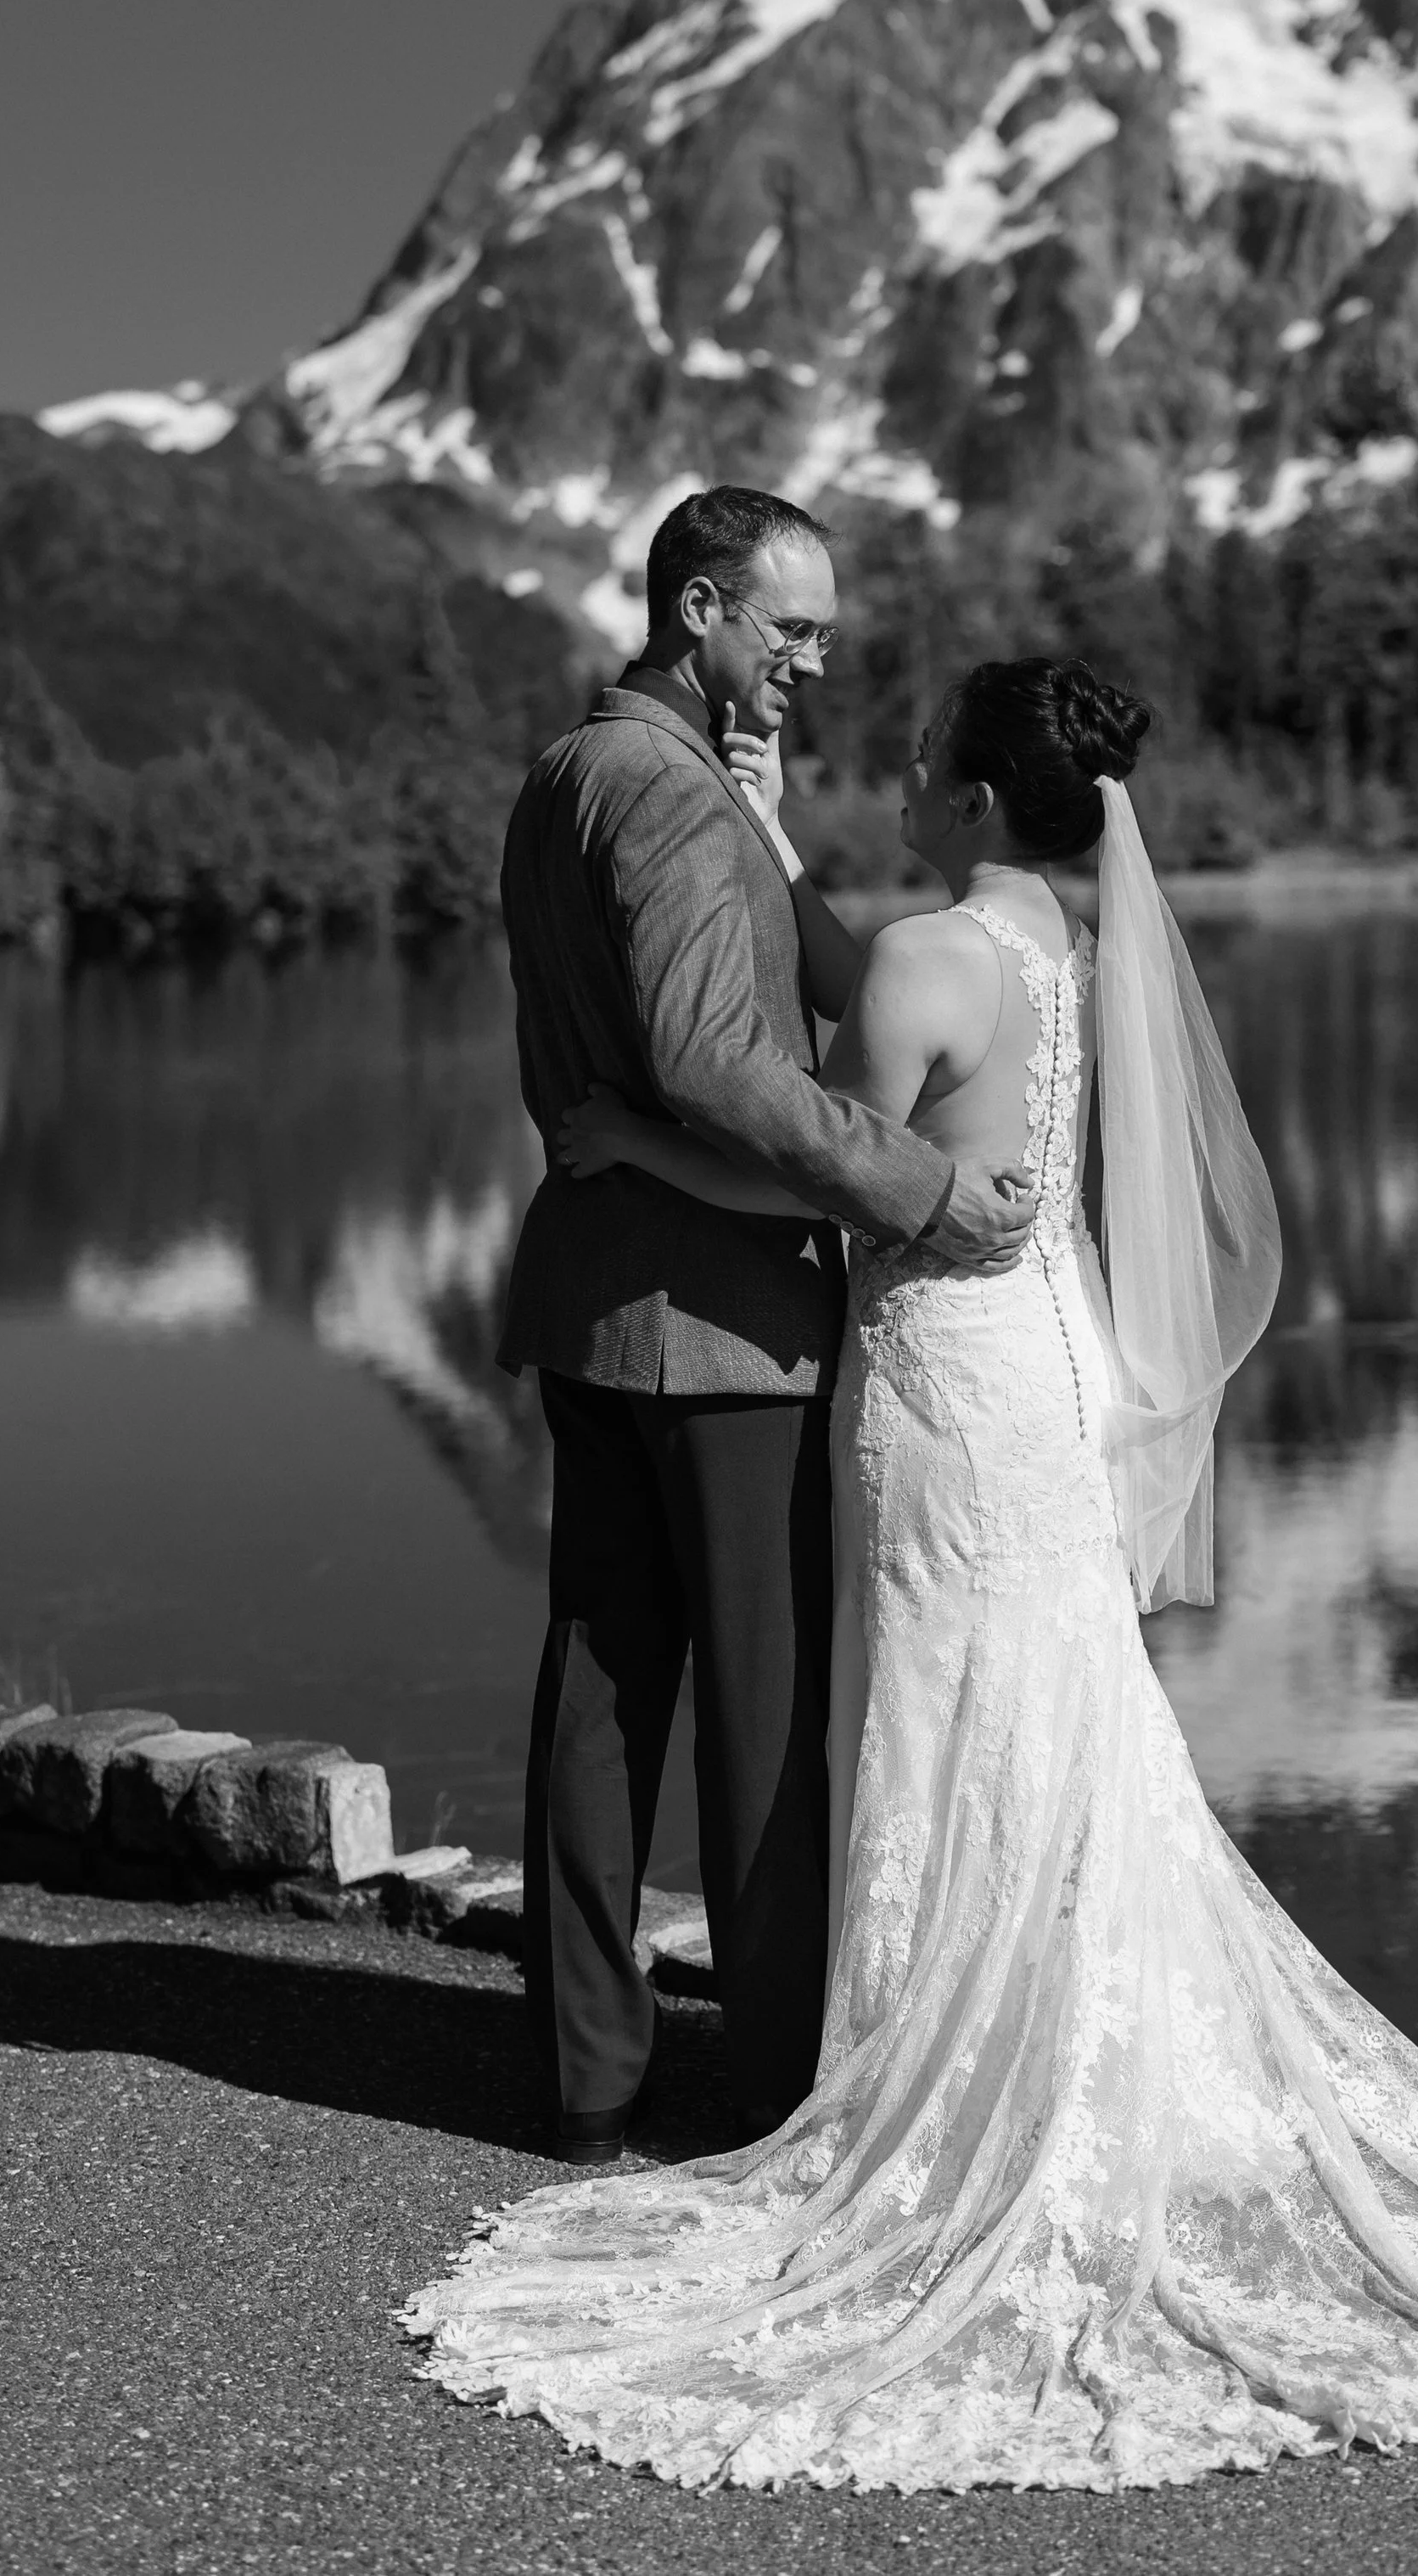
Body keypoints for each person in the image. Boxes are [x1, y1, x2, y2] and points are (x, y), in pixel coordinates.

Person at [412, 655, 1418, 2489]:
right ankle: (1057, 2041)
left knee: (948, 1710)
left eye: (919, 759)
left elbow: (826, 1177)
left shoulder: (926, 968)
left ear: (961, 795)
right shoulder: (1059, 950)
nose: (894, 774)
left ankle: (943, 2068)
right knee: (1052, 1706)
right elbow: (887, 1003)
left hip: (943, 1374)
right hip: (1051, 1365)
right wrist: (776, 841)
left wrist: (631, 1139)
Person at [494, 486, 1034, 2164]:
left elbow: (738, 1007)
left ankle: (587, 2079)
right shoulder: (657, 795)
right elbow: (711, 1065)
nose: (811, 657)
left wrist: (774, 833)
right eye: (789, 627)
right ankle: (782, 2088)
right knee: (760, 1717)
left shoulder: (574, 771)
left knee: (599, 1692)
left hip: (593, 1299)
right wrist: (917, 1188)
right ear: (706, 606)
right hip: (719, 1331)